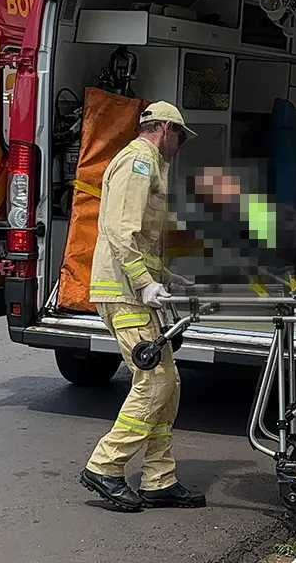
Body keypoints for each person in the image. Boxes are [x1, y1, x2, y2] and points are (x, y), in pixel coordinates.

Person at [79, 101, 208, 512]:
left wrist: (167, 278)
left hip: (137, 289)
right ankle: (105, 465)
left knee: (168, 385)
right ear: (165, 129)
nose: (180, 146)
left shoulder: (152, 164)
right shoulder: (138, 161)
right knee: (153, 382)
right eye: (180, 137)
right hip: (124, 292)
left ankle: (158, 478)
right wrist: (143, 281)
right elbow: (121, 230)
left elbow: (146, 236)